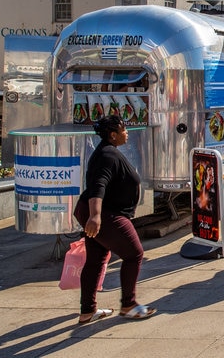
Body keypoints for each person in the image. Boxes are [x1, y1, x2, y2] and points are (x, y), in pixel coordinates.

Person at [73, 116, 156, 324]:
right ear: (113, 134)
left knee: (96, 259)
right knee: (134, 254)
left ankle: (88, 310)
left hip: (101, 213)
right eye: (123, 129)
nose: (126, 132)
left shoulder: (107, 151)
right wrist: (95, 216)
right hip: (106, 215)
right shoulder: (107, 155)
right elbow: (98, 186)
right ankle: (129, 304)